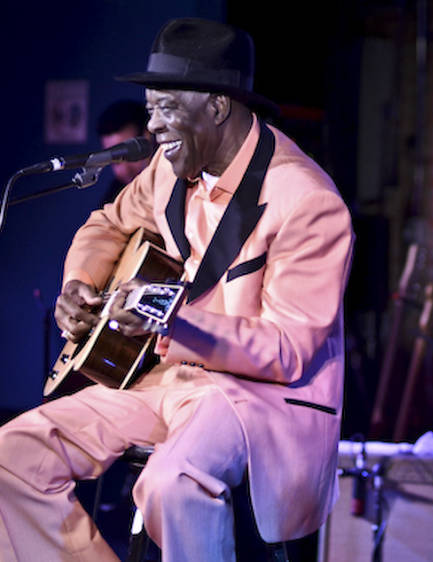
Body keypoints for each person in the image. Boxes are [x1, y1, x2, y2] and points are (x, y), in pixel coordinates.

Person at [0, 17, 353, 561]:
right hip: (170, 378)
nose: (153, 125)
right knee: (13, 455)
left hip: (260, 399)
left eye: (166, 107)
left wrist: (173, 322)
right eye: (150, 108)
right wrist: (80, 283)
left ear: (216, 106)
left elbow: (287, 350)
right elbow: (109, 225)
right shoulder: (168, 169)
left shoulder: (306, 201)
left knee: (173, 481)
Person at [96, 99, 154, 203]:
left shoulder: (173, 181)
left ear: (148, 137)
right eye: (115, 160)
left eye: (129, 155)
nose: (125, 170)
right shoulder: (114, 198)